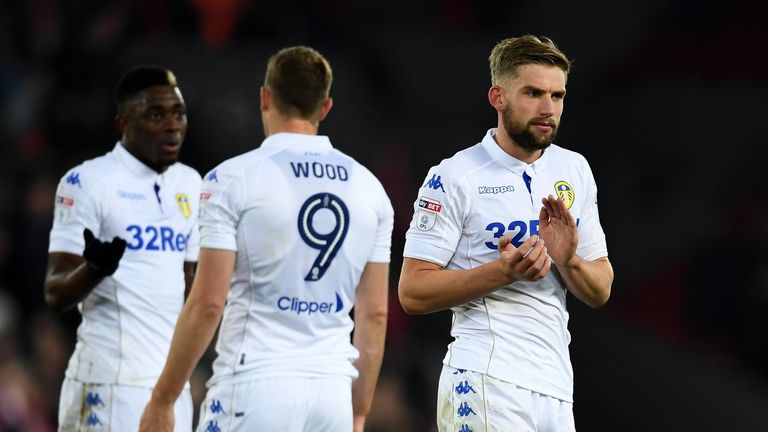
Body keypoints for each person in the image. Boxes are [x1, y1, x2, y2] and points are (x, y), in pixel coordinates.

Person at [140, 45, 393, 432]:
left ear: (264, 97)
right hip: (332, 393)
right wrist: (358, 414)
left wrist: (163, 399)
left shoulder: (231, 180)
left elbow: (208, 303)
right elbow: (374, 314)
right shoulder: (370, 189)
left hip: (255, 385)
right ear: (325, 108)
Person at [398, 35, 614, 431]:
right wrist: (505, 272)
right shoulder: (455, 176)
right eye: (533, 93)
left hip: (554, 387)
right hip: (485, 377)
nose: (549, 108)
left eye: (558, 95)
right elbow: (412, 292)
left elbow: (600, 290)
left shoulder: (574, 170)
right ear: (498, 97)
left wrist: (568, 261)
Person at [44, 65, 201, 431]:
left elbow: (190, 285)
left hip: (170, 386)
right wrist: (93, 269)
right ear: (124, 124)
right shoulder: (88, 182)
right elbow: (54, 293)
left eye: (178, 113)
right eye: (155, 114)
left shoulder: (191, 185)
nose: (171, 124)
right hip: (107, 383)